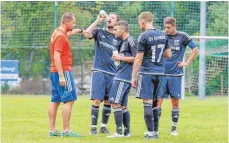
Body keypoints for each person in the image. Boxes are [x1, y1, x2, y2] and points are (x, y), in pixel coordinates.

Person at [131, 12, 171, 140]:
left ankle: (150, 133)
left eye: (139, 23)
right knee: (155, 104)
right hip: (160, 73)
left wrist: (133, 77)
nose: (139, 25)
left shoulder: (144, 36)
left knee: (147, 103)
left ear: (143, 21)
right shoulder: (163, 35)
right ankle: (156, 132)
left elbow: (138, 58)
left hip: (147, 72)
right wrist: (157, 52)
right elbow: (168, 54)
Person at [156, 16, 199, 136]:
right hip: (161, 74)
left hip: (175, 75)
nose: (166, 30)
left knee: (175, 102)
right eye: (165, 27)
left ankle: (173, 129)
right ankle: (154, 129)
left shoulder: (183, 36)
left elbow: (195, 49)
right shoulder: (161, 36)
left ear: (174, 26)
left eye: (168, 27)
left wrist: (187, 62)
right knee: (158, 101)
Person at [82, 12, 122, 135]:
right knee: (97, 100)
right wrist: (97, 20)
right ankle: (93, 128)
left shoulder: (119, 38)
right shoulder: (99, 32)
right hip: (99, 71)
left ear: (117, 22)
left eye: (113, 17)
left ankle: (103, 127)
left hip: (113, 73)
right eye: (109, 16)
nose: (110, 18)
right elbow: (87, 34)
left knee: (109, 101)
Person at [48, 12, 83, 137]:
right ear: (66, 22)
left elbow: (68, 33)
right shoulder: (61, 37)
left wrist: (78, 30)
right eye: (73, 22)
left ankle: (52, 131)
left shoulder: (57, 32)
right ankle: (66, 130)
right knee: (70, 100)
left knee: (55, 100)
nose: (74, 24)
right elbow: (57, 56)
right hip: (63, 71)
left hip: (53, 71)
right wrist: (62, 76)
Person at [106, 20, 136, 138]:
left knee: (114, 102)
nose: (114, 32)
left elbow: (136, 58)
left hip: (123, 77)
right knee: (123, 106)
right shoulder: (123, 42)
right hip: (122, 75)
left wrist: (119, 57)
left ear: (122, 30)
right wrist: (118, 58)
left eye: (115, 29)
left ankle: (118, 132)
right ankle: (127, 132)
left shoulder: (130, 40)